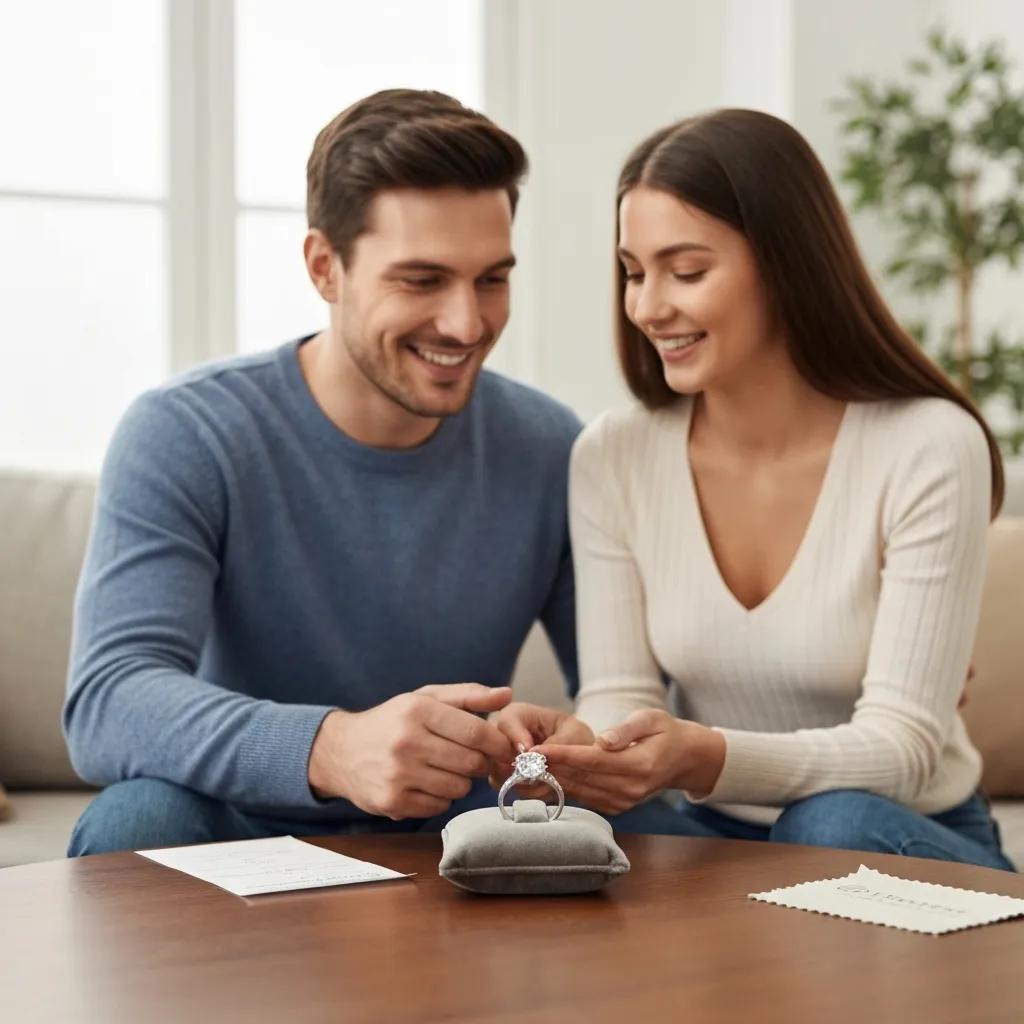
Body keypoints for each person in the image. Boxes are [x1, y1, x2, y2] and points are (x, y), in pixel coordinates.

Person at [63, 89, 586, 855]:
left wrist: (552, 745)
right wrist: (331, 748)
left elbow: (614, 700)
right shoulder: (187, 432)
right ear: (324, 267)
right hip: (248, 832)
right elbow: (109, 700)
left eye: (491, 279)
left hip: (464, 833)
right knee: (139, 817)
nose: (467, 324)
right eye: (420, 280)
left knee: (666, 839)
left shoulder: (550, 445)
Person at [496, 109, 1016, 871]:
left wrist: (702, 756)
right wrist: (590, 749)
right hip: (712, 832)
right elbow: (620, 691)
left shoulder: (927, 445)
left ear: (785, 263)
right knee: (572, 842)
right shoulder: (614, 453)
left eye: (687, 270)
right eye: (634, 273)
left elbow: (903, 749)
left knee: (826, 825)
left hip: (897, 831)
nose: (647, 306)